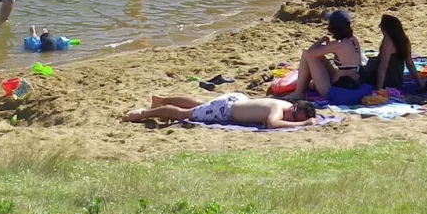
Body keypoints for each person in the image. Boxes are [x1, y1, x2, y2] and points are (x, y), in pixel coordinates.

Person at [290, 10, 365, 102]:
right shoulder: (353, 40)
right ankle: (303, 87)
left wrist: (321, 40)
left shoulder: (337, 45)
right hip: (354, 80)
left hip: (337, 88)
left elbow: (309, 53)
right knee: (319, 56)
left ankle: (299, 92)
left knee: (307, 55)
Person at [123, 94, 317, 127]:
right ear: (294, 107)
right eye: (293, 115)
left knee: (201, 105)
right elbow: (272, 124)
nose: (290, 119)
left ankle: (161, 100)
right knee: (185, 115)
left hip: (236, 99)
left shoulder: (283, 104)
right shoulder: (278, 108)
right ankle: (144, 114)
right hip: (227, 109)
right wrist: (304, 123)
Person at [362, 14, 414, 91]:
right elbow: (410, 64)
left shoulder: (388, 42)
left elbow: (383, 67)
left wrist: (379, 88)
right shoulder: (405, 40)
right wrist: (419, 81)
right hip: (398, 79)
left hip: (388, 80)